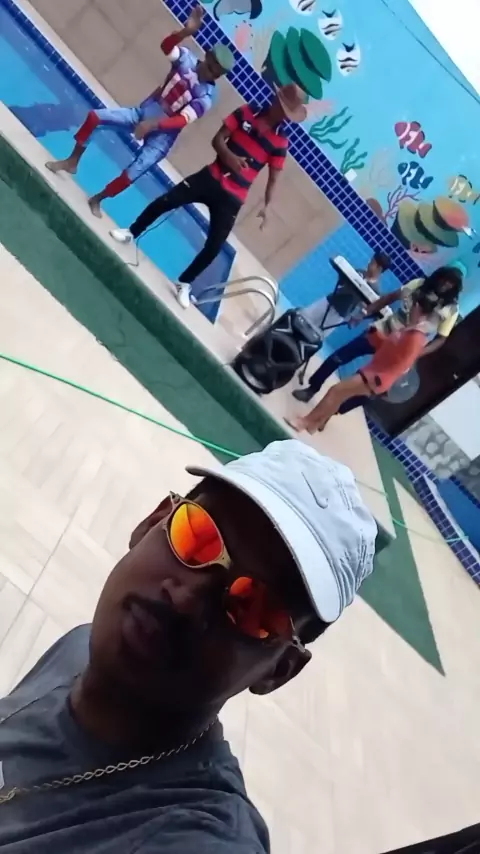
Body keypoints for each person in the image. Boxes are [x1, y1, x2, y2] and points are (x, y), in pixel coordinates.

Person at [0, 440, 377, 852]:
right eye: (196, 537)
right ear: (153, 520)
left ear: (278, 670)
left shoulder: (198, 837)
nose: (185, 599)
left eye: (254, 607)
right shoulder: (82, 647)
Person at [110, 84, 308, 308]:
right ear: (275, 101)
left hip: (234, 197)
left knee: (214, 247)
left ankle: (184, 282)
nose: (284, 116)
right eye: (283, 109)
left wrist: (267, 206)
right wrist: (230, 157)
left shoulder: (281, 142)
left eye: (288, 113)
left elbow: (274, 177)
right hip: (211, 177)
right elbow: (217, 139)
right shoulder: (247, 111)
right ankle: (131, 232)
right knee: (167, 201)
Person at [45, 6, 235, 218]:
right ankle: (72, 161)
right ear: (207, 56)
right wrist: (185, 32)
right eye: (211, 67)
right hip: (144, 113)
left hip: (163, 136)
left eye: (217, 73)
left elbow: (182, 120)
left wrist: (153, 125)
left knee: (133, 172)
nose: (211, 74)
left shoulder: (207, 97)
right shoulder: (186, 60)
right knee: (95, 117)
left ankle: (98, 199)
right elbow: (166, 46)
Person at [286, 267, 463, 433]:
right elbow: (390, 298)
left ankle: (328, 413)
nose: (445, 285)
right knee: (339, 358)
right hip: (383, 333)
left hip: (401, 349)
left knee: (365, 391)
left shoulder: (449, 312)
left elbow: (441, 339)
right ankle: (312, 390)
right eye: (444, 279)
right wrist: (365, 312)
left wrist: (416, 354)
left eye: (451, 284)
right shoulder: (419, 284)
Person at [299, 249, 391, 335]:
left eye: (372, 263)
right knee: (304, 317)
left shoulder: (375, 290)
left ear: (379, 269)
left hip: (340, 314)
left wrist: (357, 315)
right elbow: (342, 281)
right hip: (330, 301)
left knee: (318, 333)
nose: (369, 263)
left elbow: (368, 308)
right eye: (370, 261)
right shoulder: (359, 272)